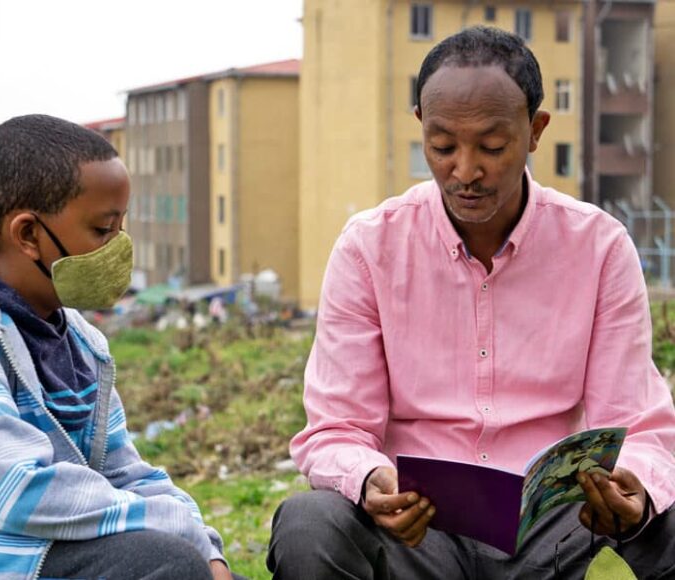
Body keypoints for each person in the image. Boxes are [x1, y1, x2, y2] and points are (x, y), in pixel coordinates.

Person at [268, 26, 675, 579]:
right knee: (309, 523)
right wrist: (370, 480)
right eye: (441, 147)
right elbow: (337, 428)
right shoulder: (369, 247)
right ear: (420, 129)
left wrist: (633, 487)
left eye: (491, 147)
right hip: (419, 529)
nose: (464, 171)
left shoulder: (598, 247)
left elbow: (635, 423)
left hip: (561, 526)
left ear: (535, 132)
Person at [0, 114, 238, 580]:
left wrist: (204, 543)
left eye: (122, 227)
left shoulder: (79, 340)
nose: (119, 247)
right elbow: (13, 488)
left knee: (197, 565)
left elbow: (123, 472)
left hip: (43, 546)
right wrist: (173, 532)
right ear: (27, 235)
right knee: (164, 564)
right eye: (103, 231)